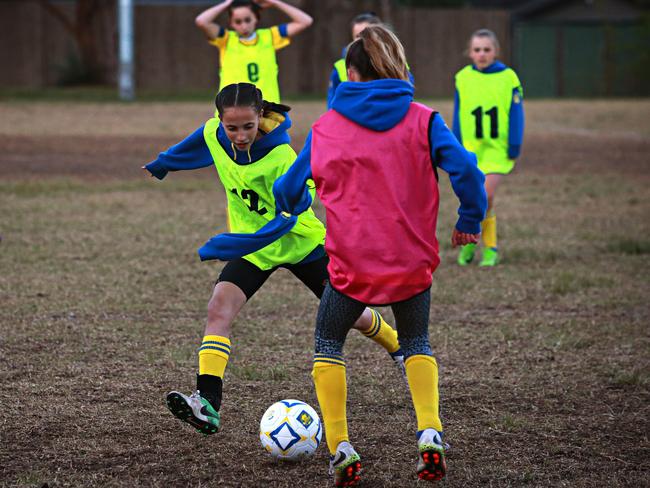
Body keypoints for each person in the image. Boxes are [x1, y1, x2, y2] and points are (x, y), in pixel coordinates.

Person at [272, 26, 487, 486]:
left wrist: (292, 205)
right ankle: (430, 433)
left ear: (351, 73)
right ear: (398, 68)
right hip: (412, 266)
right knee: (416, 344)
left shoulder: (327, 128)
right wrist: (470, 218)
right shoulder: (424, 120)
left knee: (329, 344)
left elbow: (287, 188)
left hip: (351, 270)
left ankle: (342, 447)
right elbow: (467, 170)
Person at [142, 82, 405, 436]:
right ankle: (206, 404)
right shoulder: (213, 133)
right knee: (218, 309)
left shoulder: (281, 157)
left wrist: (243, 240)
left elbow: (294, 212)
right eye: (230, 127)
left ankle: (397, 345)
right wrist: (163, 163)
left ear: (260, 116)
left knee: (351, 315)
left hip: (300, 242)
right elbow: (194, 143)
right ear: (219, 121)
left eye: (248, 127)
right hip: (253, 248)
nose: (239, 135)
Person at [453, 28, 525, 267]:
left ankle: (489, 248)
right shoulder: (462, 77)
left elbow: (516, 114)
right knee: (476, 198)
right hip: (471, 150)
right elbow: (458, 113)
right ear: (470, 52)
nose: (482, 54)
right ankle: (473, 243)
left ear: (495, 51)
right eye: (477, 50)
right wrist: (455, 145)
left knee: (486, 195)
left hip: (497, 149)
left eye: (486, 49)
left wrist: (514, 144)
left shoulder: (508, 77)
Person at [195, 0, 313, 103]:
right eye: (238, 21)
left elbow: (305, 21)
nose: (244, 26)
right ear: (231, 23)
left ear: (256, 18)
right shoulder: (226, 40)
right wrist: (226, 4)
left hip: (267, 107)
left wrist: (275, 2)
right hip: (233, 108)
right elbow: (201, 21)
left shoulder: (270, 36)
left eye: (247, 20)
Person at [326, 12, 382, 109]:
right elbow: (332, 104)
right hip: (351, 120)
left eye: (366, 35)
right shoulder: (340, 67)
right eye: (357, 36)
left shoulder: (396, 63)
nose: (361, 40)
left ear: (379, 35)